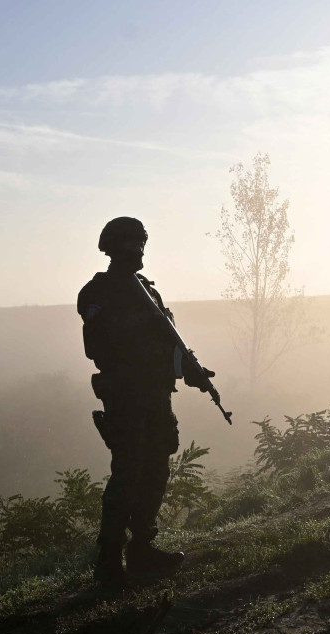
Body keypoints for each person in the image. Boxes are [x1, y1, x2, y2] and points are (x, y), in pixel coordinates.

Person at [77, 217, 214, 586]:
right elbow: (101, 346)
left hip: (155, 395)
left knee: (156, 469)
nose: (139, 251)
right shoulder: (99, 292)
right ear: (115, 248)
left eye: (142, 243)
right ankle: (108, 560)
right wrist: (154, 352)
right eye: (132, 244)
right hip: (125, 397)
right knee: (127, 473)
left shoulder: (148, 292)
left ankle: (142, 549)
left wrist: (191, 370)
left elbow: (169, 342)